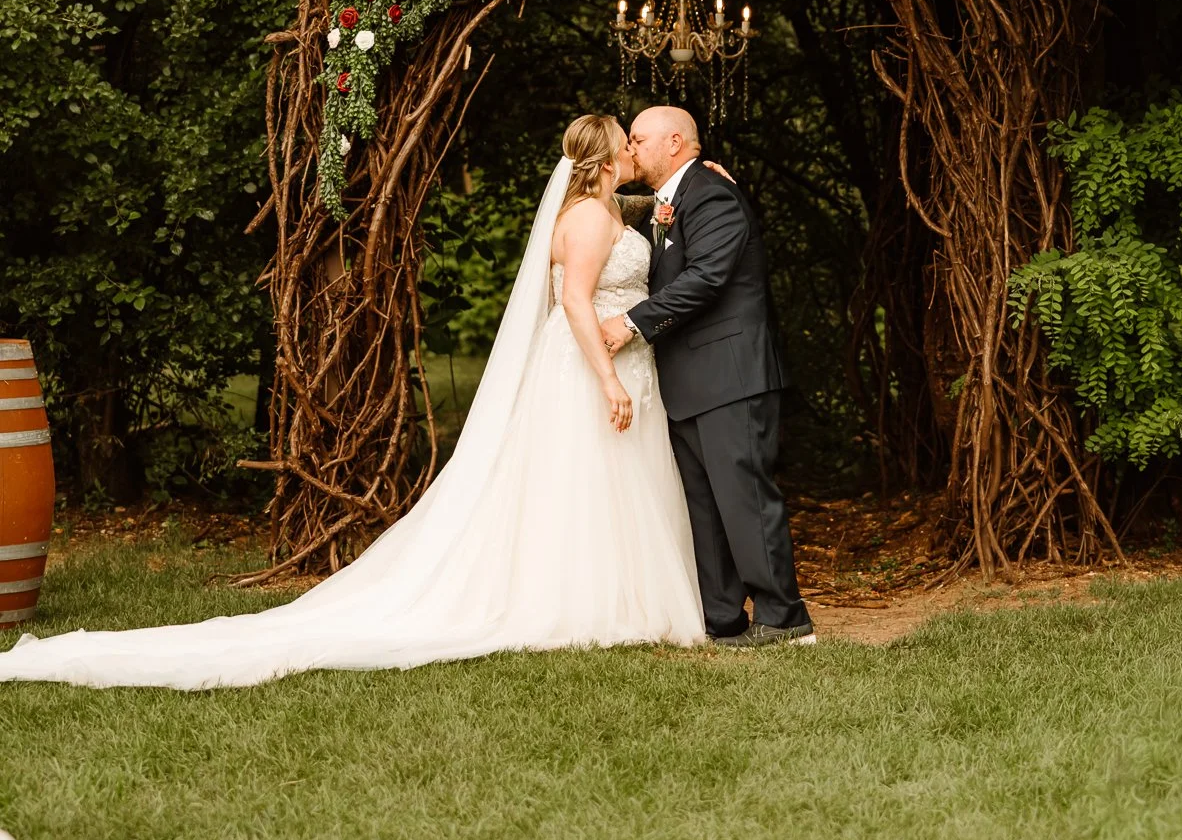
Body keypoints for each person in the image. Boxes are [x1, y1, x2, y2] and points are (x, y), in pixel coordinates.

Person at [0, 116, 706, 689]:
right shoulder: (587, 221)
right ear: (608, 154)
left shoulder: (610, 209)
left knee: (606, 484)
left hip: (620, 362)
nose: (634, 147)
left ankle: (621, 600)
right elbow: (576, 301)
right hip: (591, 368)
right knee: (583, 484)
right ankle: (585, 604)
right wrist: (607, 378)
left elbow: (640, 231)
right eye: (628, 139)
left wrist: (698, 188)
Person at [601, 106, 814, 647]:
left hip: (731, 374)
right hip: (690, 380)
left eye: (639, 139)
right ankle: (723, 619)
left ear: (675, 142)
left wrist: (631, 322)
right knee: (705, 504)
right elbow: (603, 202)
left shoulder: (712, 194)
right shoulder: (670, 197)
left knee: (745, 497)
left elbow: (708, 276)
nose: (630, 147)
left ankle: (784, 620)